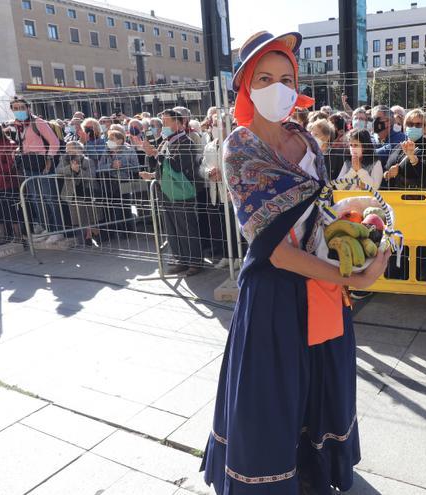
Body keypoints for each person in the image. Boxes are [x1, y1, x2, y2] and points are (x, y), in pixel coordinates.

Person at [201, 31, 388, 495]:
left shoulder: (308, 140)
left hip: (322, 288)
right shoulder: (240, 149)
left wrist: (354, 234)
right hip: (276, 295)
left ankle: (313, 470)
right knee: (274, 396)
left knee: (319, 384)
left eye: (286, 78)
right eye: (264, 77)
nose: (277, 88)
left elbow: (319, 216)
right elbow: (277, 251)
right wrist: (354, 275)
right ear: (245, 85)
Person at [140, 107, 204, 276]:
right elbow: (159, 166)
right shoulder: (165, 141)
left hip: (183, 192)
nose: (164, 125)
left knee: (186, 227)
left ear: (179, 123)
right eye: (163, 122)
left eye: (167, 122)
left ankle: (195, 262)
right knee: (172, 228)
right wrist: (150, 155)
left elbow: (177, 166)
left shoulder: (186, 142)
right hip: (166, 191)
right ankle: (181, 259)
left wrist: (156, 154)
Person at [11, 97, 63, 243]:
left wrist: (49, 160)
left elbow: (54, 142)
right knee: (36, 198)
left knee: (50, 198)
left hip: (42, 162)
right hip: (28, 163)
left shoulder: (38, 122)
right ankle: (47, 228)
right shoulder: (18, 124)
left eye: (21, 107)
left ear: (28, 108)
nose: (18, 111)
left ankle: (58, 230)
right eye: (15, 108)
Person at [382, 109, 426, 190]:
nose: (413, 127)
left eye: (418, 124)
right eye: (410, 124)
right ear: (405, 126)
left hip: (415, 198)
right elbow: (386, 169)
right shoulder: (399, 146)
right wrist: (387, 175)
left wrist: (412, 157)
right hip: (394, 197)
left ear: (424, 127)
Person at [56, 140, 100, 245]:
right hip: (72, 193)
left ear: (79, 150)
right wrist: (70, 168)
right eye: (67, 149)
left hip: (88, 192)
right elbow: (58, 170)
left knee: (91, 216)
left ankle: (93, 237)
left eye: (71, 149)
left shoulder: (87, 161)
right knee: (77, 218)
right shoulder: (64, 159)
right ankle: (82, 239)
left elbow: (91, 176)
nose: (68, 151)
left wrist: (79, 171)